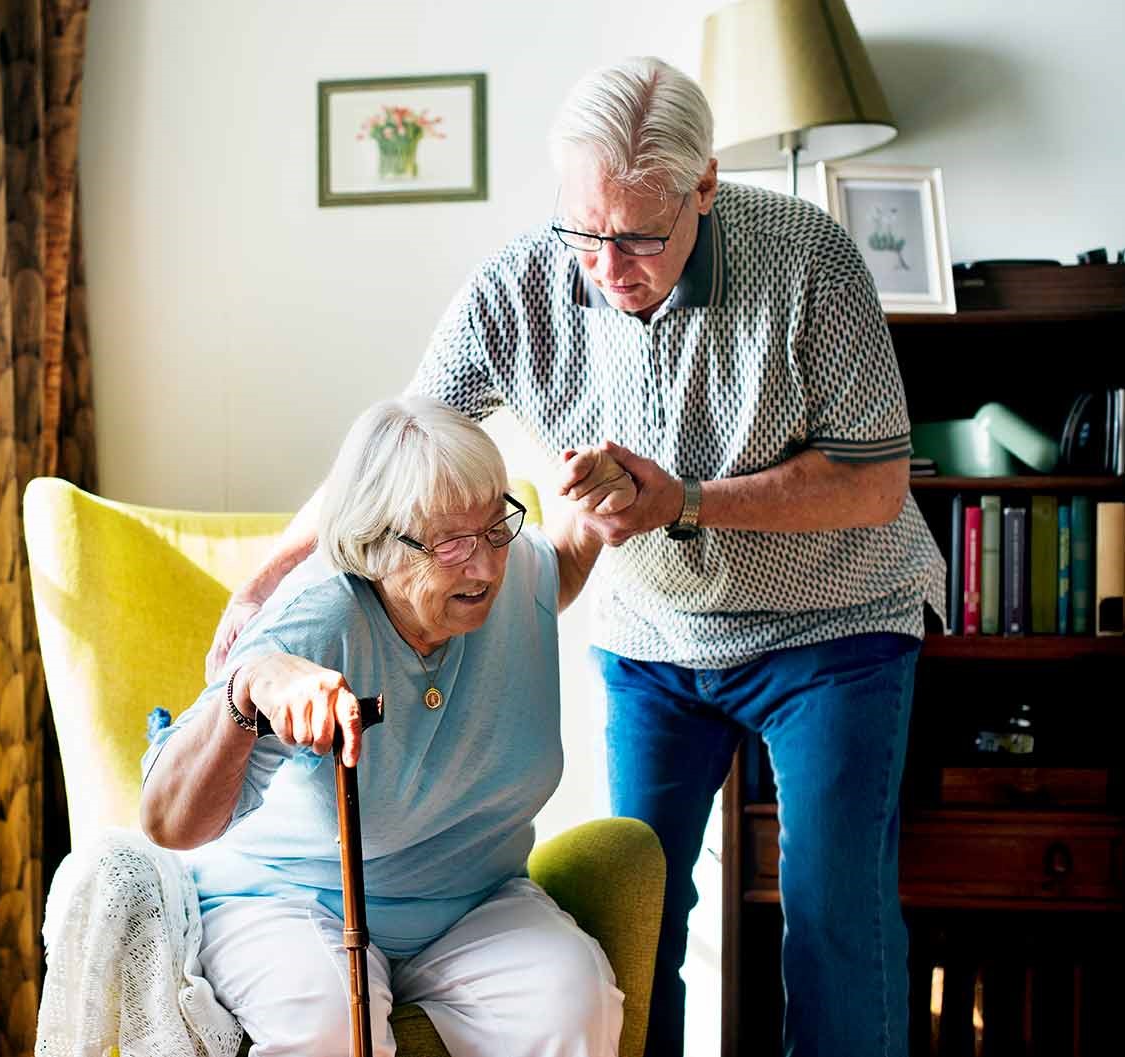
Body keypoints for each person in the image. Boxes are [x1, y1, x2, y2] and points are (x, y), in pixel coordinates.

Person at [205, 57, 946, 1057]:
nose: (606, 265)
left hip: (833, 622)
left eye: (640, 236)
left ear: (705, 188)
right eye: (585, 230)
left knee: (829, 910)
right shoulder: (519, 285)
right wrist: (262, 579)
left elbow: (873, 481)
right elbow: (391, 454)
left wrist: (683, 497)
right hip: (653, 634)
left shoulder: (807, 258)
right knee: (637, 912)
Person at [143, 396, 634, 1057]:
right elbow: (169, 822)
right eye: (451, 544)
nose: (485, 566)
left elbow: (555, 573)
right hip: (292, 896)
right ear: (373, 545)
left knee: (572, 1006)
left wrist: (595, 508)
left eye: (495, 527)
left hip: (472, 898)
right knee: (328, 1032)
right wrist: (248, 688)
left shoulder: (511, 569)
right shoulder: (316, 622)